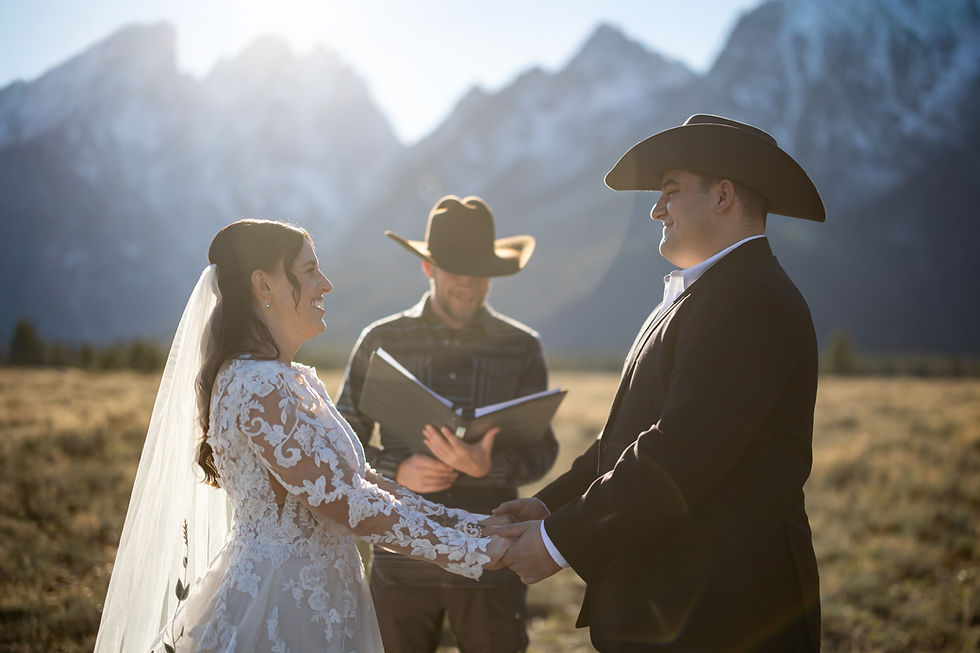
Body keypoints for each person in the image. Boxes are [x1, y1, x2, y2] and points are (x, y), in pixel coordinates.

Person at [94, 219, 508, 653]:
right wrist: (474, 551)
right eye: (310, 270)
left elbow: (363, 484)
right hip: (282, 604)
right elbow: (347, 505)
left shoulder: (288, 379)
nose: (325, 284)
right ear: (264, 285)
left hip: (321, 596)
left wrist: (476, 526)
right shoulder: (260, 385)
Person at [491, 114, 825, 652]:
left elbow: (681, 449)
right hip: (679, 608)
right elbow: (629, 438)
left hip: (725, 615)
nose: (656, 209)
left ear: (721, 196)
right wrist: (550, 506)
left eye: (670, 191)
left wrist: (558, 542)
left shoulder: (751, 301)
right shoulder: (708, 294)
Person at [335, 195, 559, 653]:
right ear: (428, 268)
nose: (469, 282)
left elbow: (544, 451)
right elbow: (341, 442)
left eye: (480, 270)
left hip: (493, 557)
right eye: (456, 268)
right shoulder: (381, 340)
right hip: (401, 558)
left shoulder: (521, 347)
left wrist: (488, 469)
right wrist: (398, 470)